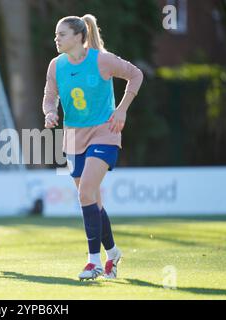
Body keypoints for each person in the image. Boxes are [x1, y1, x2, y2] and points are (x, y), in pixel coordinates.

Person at [42, 15, 143, 280]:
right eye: (56, 34)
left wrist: (121, 111)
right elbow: (49, 96)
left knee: (86, 192)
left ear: (78, 36)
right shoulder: (56, 65)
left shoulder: (102, 60)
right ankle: (113, 253)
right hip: (73, 136)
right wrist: (50, 113)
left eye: (61, 34)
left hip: (104, 132)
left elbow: (136, 75)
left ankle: (93, 262)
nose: (56, 39)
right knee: (92, 200)